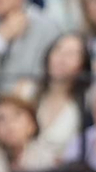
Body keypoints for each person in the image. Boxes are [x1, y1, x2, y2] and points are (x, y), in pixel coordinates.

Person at [35, 30, 87, 159]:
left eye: (71, 54)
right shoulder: (26, 91)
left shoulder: (86, 103)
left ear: (82, 65)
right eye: (58, 50)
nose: (62, 58)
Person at [0, 92, 56, 172]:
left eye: (17, 116)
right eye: (1, 118)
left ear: (32, 124)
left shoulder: (47, 159)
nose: (9, 125)